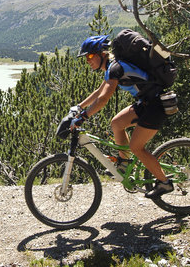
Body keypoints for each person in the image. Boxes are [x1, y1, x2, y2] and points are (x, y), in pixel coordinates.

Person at [70, 34, 174, 198]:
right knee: (117, 123)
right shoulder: (111, 67)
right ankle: (124, 164)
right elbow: (99, 92)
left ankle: (164, 183)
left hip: (156, 106)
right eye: (86, 58)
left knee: (136, 147)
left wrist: (83, 116)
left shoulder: (116, 68)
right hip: (146, 103)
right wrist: (79, 107)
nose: (88, 60)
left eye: (90, 56)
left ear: (101, 53)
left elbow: (103, 99)